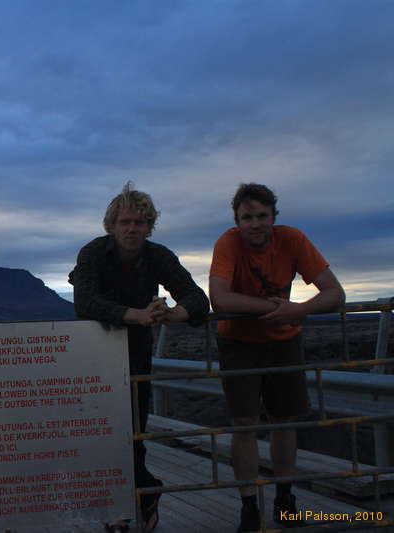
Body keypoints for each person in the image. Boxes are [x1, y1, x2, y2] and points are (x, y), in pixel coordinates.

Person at [69, 182, 209, 533]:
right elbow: (85, 302)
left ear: (149, 226)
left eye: (140, 223)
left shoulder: (158, 256)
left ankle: (130, 505)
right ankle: (134, 498)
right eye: (125, 222)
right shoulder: (93, 253)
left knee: (133, 431)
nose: (132, 229)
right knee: (102, 432)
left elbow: (197, 298)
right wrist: (136, 315)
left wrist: (171, 313)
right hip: (94, 354)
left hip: (136, 354)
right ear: (112, 226)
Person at [209, 183, 345, 532]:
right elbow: (219, 298)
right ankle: (249, 508)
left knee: (284, 421)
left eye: (262, 216)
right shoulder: (228, 243)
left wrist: (297, 310)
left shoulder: (292, 239)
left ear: (274, 216)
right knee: (244, 424)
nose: (255, 224)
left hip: (284, 341)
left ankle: (285, 502)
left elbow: (335, 293)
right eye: (247, 217)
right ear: (237, 221)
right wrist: (275, 309)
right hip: (238, 341)